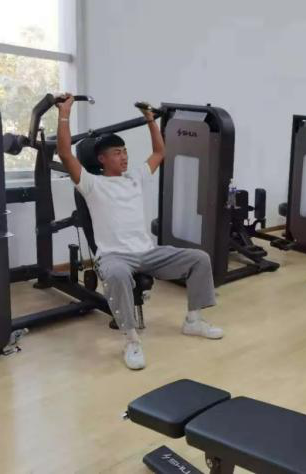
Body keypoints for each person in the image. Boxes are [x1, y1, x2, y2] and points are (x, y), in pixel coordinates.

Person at [56, 94, 223, 371]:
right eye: (117, 153)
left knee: (199, 258)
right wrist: (65, 113)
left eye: (125, 151)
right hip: (114, 256)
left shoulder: (135, 177)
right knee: (117, 274)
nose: (124, 157)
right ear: (101, 159)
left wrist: (150, 120)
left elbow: (159, 153)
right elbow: (64, 153)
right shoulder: (92, 184)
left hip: (147, 252)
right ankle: (131, 340)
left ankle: (193, 321)